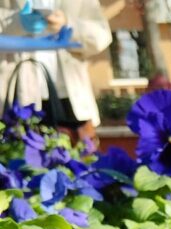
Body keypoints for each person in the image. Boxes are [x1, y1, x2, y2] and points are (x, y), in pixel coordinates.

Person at [0, 0, 112, 142]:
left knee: (77, 160)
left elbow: (101, 36)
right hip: (18, 99)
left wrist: (68, 24)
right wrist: (18, 23)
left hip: (71, 102)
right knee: (18, 160)